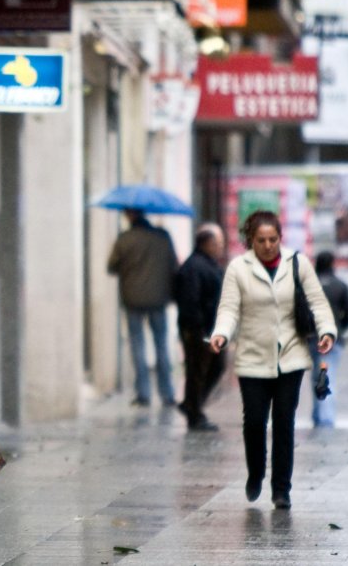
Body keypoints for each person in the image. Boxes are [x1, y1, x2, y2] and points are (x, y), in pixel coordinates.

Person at [209, 210, 336, 510]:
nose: (268, 245)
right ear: (250, 240)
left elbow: (317, 301)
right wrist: (222, 333)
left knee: (283, 422)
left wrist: (327, 330)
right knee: (254, 422)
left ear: (280, 237)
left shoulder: (297, 263)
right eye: (261, 240)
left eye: (273, 239)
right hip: (252, 357)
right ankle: (256, 472)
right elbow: (229, 308)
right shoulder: (238, 268)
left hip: (290, 357)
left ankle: (281, 490)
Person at [107, 210, 179, 407]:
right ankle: (167, 393)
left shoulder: (124, 239)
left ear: (130, 216)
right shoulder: (163, 236)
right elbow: (173, 264)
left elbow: (111, 266)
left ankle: (143, 394)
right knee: (161, 345)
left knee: (137, 346)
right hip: (158, 299)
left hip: (133, 299)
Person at [175, 223, 226, 431]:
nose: (220, 247)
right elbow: (190, 301)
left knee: (214, 366)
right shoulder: (194, 267)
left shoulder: (208, 264)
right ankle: (194, 411)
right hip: (199, 329)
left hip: (210, 328)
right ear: (207, 243)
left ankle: (192, 405)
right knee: (198, 370)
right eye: (217, 243)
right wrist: (200, 332)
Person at [306, 251, 348, 428]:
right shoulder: (340, 285)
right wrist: (339, 328)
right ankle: (325, 419)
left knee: (318, 377)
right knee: (327, 376)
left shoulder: (310, 286)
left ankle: (319, 416)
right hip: (333, 340)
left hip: (313, 339)